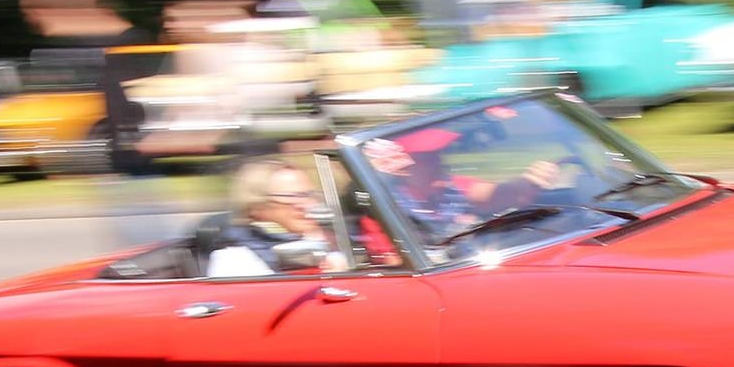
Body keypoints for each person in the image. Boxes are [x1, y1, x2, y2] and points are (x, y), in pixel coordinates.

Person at [361, 127, 560, 241]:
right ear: (402, 169)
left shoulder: (450, 186)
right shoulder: (385, 212)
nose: (439, 163)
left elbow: (494, 195)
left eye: (438, 155)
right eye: (427, 158)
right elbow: (394, 261)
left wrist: (527, 181)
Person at [199, 158, 344, 277]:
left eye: (310, 194)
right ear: (258, 207)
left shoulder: (325, 240)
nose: (307, 204)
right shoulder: (235, 257)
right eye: (292, 196)